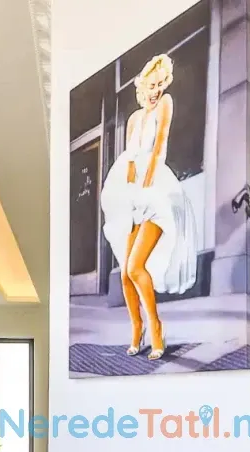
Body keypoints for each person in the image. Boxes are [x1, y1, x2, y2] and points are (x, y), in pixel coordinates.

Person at [100, 53, 197, 359]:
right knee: (125, 274)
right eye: (151, 85)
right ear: (142, 86)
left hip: (156, 193)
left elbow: (159, 148)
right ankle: (136, 328)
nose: (156, 90)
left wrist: (146, 189)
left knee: (135, 266)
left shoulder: (165, 104)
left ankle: (155, 326)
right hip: (134, 194)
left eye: (160, 84)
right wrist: (130, 194)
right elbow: (130, 160)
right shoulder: (133, 120)